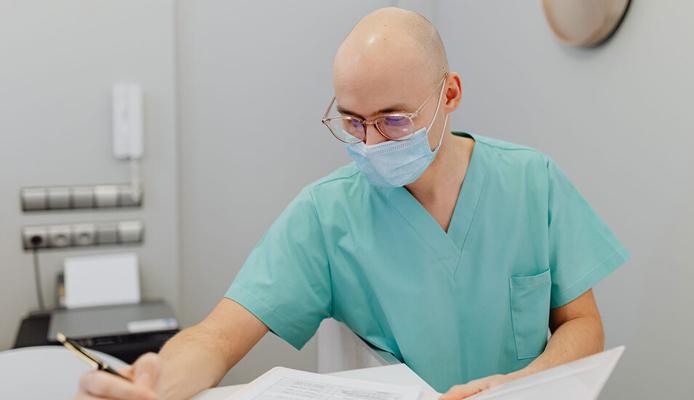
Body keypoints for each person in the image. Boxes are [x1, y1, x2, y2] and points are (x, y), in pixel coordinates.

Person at [75, 7, 628, 400]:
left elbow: (582, 324)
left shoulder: (531, 182)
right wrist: (155, 382)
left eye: (392, 120)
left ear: (450, 94)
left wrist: (517, 387)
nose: (370, 143)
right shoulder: (326, 216)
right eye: (350, 121)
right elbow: (218, 336)